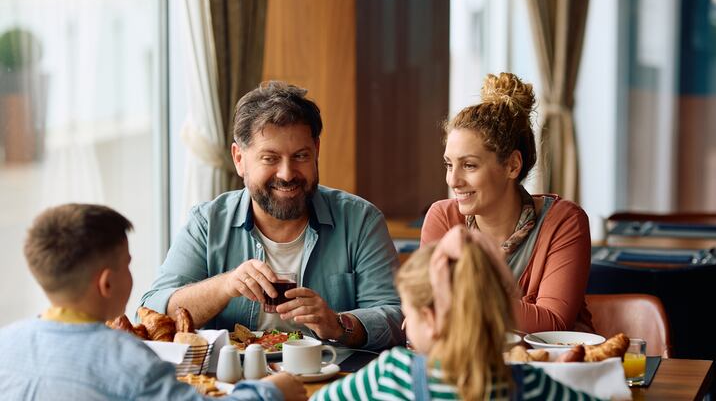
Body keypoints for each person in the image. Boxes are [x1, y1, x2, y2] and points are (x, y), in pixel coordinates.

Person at [142, 81, 404, 350]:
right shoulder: (207, 223)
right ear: (239, 159)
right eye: (270, 158)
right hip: (233, 384)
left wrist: (339, 324)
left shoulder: (360, 220)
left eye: (301, 156)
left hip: (335, 382)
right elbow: (153, 312)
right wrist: (226, 286)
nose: (287, 174)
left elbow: (396, 318)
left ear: (316, 151)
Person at [0, 203, 306, 400]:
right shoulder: (128, 360)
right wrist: (273, 392)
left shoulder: (6, 344)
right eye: (128, 264)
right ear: (107, 283)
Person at [312, 226, 601, 400]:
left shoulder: (392, 375)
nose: (404, 324)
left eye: (409, 313)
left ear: (431, 320)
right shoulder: (531, 384)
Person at [420, 72, 593, 333]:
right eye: (449, 164)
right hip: (470, 370)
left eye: (469, 165)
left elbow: (552, 324)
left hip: (551, 369)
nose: (453, 180)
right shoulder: (442, 218)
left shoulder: (564, 222)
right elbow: (428, 313)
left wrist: (456, 297)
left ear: (512, 165)